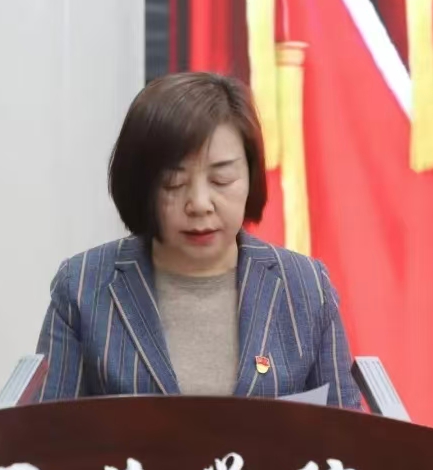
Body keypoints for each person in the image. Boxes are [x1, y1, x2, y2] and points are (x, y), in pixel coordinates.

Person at [34, 71, 361, 409]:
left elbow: (347, 430)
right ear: (139, 186)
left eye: (222, 179)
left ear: (250, 175)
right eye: (173, 183)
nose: (200, 204)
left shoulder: (305, 286)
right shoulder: (83, 285)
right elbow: (46, 432)